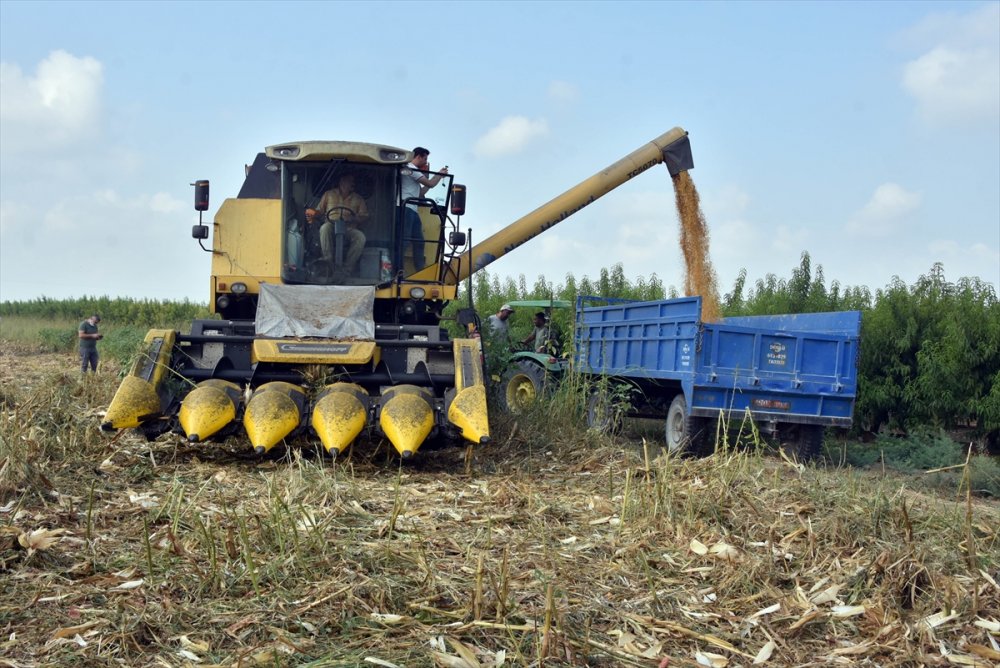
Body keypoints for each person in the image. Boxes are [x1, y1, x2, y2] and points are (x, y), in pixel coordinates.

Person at [306, 172, 369, 275]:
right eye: (349, 181)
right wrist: (312, 212)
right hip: (331, 225)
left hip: (349, 228)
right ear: (341, 182)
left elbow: (364, 216)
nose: (351, 184)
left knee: (360, 237)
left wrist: (352, 219)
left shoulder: (358, 199)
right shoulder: (328, 194)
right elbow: (320, 211)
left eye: (353, 182)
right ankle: (328, 261)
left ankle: (347, 269)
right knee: (324, 228)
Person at [400, 147, 448, 268]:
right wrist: (439, 175)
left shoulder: (413, 172)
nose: (426, 162)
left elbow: (420, 193)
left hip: (412, 210)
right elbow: (430, 184)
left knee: (419, 241)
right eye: (425, 159)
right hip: (406, 209)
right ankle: (397, 270)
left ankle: (420, 269)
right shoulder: (410, 168)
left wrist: (433, 178)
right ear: (418, 156)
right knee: (404, 241)